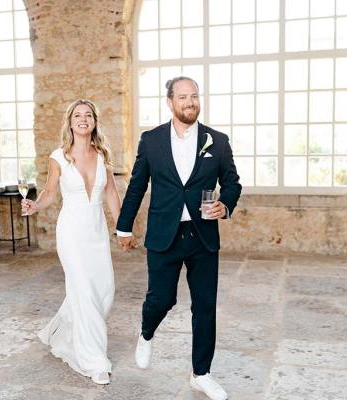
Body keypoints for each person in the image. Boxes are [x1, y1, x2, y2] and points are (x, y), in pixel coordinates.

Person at [116, 77, 241, 400]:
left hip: (202, 236)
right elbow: (137, 186)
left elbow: (232, 183)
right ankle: (146, 333)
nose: (190, 102)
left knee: (205, 307)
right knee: (161, 299)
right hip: (163, 234)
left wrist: (224, 204)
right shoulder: (152, 140)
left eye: (195, 96)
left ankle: (201, 374)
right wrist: (124, 226)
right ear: (170, 102)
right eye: (183, 97)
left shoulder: (218, 140)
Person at [21, 99, 122, 385]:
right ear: (70, 122)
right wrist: (34, 206)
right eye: (77, 115)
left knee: (104, 290)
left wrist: (122, 229)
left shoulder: (102, 155)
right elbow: (50, 193)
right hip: (72, 231)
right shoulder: (59, 157)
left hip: (97, 230)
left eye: (88, 114)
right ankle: (95, 360)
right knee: (83, 290)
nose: (83, 119)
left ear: (94, 121)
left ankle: (61, 331)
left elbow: (112, 195)